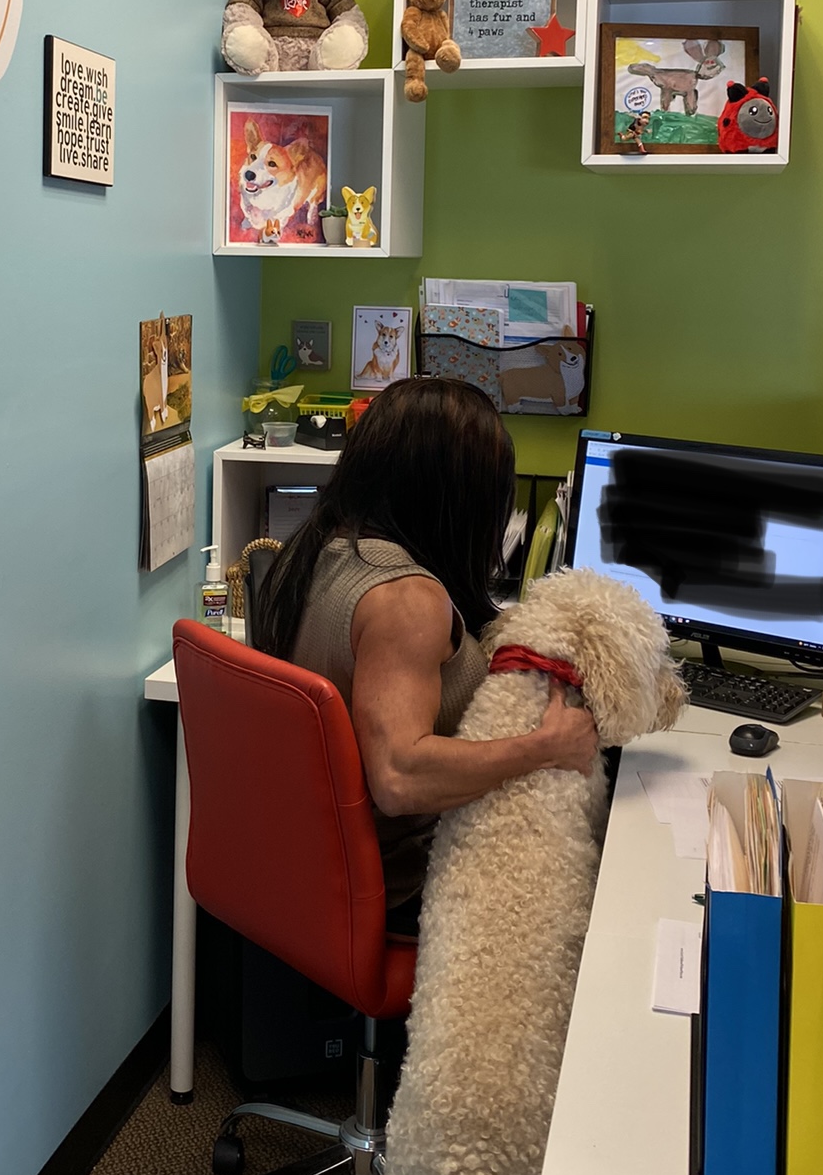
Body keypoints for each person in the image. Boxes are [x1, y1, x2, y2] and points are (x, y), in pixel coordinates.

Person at [254, 376, 598, 927]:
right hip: (403, 884)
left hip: (310, 864)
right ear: (457, 498)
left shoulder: (319, 547)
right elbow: (399, 777)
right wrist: (544, 748)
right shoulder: (406, 602)